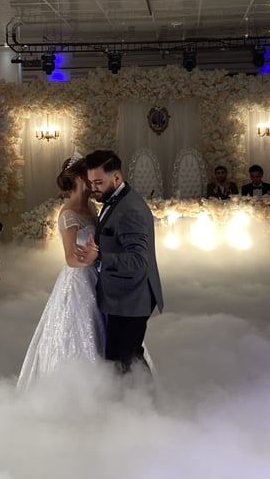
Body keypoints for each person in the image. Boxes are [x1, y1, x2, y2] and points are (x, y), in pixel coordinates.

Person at [18, 154, 104, 390]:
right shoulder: (68, 213)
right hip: (79, 280)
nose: (95, 178)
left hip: (98, 275)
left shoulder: (91, 207)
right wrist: (91, 257)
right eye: (90, 174)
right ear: (79, 177)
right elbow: (70, 258)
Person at [75, 150, 163, 374]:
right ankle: (146, 396)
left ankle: (141, 397)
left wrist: (99, 256)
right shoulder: (116, 198)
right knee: (129, 360)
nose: (93, 188)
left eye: (98, 183)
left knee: (121, 364)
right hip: (126, 295)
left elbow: (138, 260)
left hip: (131, 299)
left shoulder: (130, 209)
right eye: (90, 182)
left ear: (116, 178)